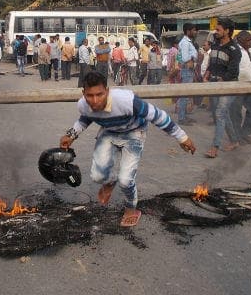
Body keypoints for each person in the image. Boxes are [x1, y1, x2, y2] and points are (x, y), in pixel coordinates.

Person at [59, 71, 196, 227]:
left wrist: (182, 137)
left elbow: (158, 116)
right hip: (109, 132)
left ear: (107, 91)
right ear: (83, 94)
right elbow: (86, 117)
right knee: (98, 176)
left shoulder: (126, 101)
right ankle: (110, 182)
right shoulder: (83, 105)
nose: (95, 101)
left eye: (99, 94)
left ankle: (131, 208)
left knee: (125, 181)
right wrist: (72, 134)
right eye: (90, 96)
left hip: (134, 132)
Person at [203, 18, 241, 158]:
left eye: (218, 30)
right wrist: (207, 74)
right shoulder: (215, 45)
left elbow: (232, 72)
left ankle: (215, 147)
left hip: (229, 86)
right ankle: (234, 141)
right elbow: (212, 63)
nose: (216, 32)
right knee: (221, 114)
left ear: (227, 31)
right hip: (215, 85)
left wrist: (221, 79)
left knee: (219, 113)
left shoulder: (234, 50)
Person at [229, 31, 251, 147]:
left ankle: (245, 132)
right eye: (248, 40)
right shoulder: (235, 50)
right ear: (241, 39)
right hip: (238, 86)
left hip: (250, 85)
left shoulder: (249, 50)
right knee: (236, 112)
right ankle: (237, 136)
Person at [177, 23, 199, 125]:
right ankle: (182, 118)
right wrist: (194, 57)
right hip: (187, 70)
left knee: (186, 94)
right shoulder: (185, 43)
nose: (195, 32)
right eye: (193, 30)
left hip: (188, 70)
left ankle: (184, 116)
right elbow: (185, 58)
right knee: (184, 95)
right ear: (188, 31)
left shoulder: (187, 42)